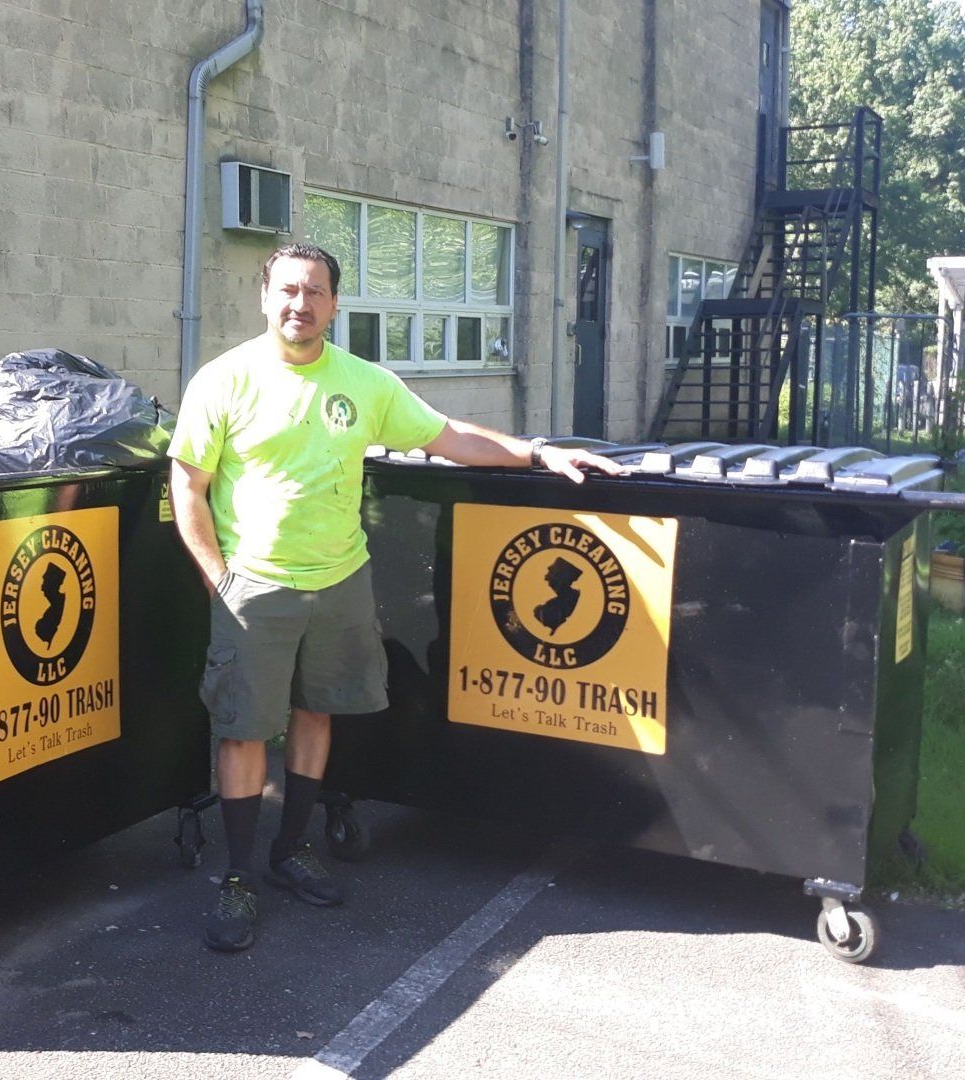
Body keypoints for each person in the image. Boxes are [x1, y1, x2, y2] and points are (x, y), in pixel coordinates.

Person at [167, 242, 626, 952]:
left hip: (340, 579)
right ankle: (239, 877)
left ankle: (292, 850)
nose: (299, 304)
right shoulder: (223, 381)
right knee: (243, 730)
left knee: (316, 712)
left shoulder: (365, 383)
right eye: (287, 290)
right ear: (264, 297)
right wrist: (219, 580)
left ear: (334, 304)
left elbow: (449, 437)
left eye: (314, 292)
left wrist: (539, 452)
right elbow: (187, 486)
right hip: (254, 587)